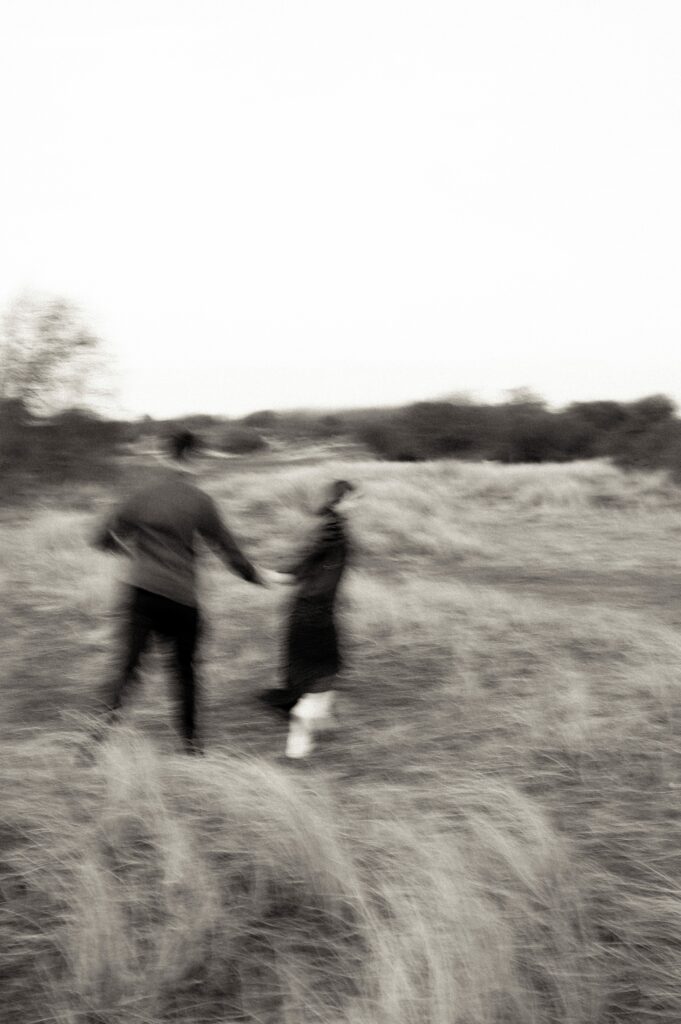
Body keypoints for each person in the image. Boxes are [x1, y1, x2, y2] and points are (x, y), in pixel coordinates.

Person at [93, 429, 268, 754]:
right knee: (185, 674)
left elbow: (102, 538)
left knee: (127, 670)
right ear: (192, 457)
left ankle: (93, 743)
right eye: (200, 458)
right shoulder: (200, 501)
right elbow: (229, 552)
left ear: (165, 454)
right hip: (181, 600)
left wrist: (132, 555)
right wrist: (259, 578)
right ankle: (192, 748)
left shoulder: (141, 496)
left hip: (141, 595)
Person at [260, 479, 356, 758]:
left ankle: (311, 727)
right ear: (340, 501)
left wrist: (279, 576)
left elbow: (306, 563)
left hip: (308, 608)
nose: (357, 504)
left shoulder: (328, 525)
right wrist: (278, 575)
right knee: (325, 669)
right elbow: (306, 561)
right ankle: (304, 722)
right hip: (315, 610)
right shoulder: (333, 528)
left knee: (321, 668)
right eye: (354, 498)